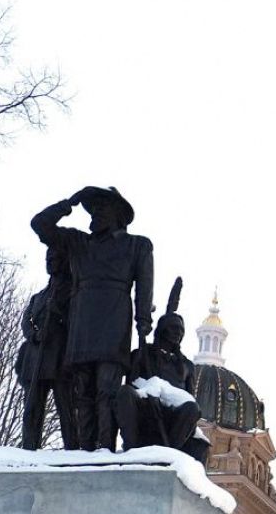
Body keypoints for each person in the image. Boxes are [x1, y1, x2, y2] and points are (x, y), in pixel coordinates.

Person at [30, 187, 154, 451]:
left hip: (113, 324)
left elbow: (144, 286)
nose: (95, 214)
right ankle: (85, 450)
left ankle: (104, 449)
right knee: (82, 393)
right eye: (92, 209)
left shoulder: (137, 245)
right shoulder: (78, 242)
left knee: (107, 390)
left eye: (101, 209)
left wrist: (143, 320)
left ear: (118, 214)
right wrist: (69, 203)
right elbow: (40, 224)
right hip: (81, 325)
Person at [117, 276, 209, 463]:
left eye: (181, 331)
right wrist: (149, 392)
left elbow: (189, 397)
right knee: (125, 393)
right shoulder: (143, 354)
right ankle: (132, 450)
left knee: (192, 408)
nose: (178, 333)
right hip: (145, 405)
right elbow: (131, 381)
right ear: (162, 330)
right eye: (174, 329)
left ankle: (169, 454)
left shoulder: (186, 365)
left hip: (172, 416)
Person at [16, 246, 78, 450]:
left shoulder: (73, 291)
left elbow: (78, 322)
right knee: (32, 407)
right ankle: (29, 448)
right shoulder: (39, 297)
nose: (50, 262)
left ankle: (72, 448)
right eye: (47, 259)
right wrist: (34, 334)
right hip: (37, 357)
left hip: (60, 357)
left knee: (66, 407)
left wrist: (58, 312)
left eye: (54, 259)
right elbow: (26, 321)